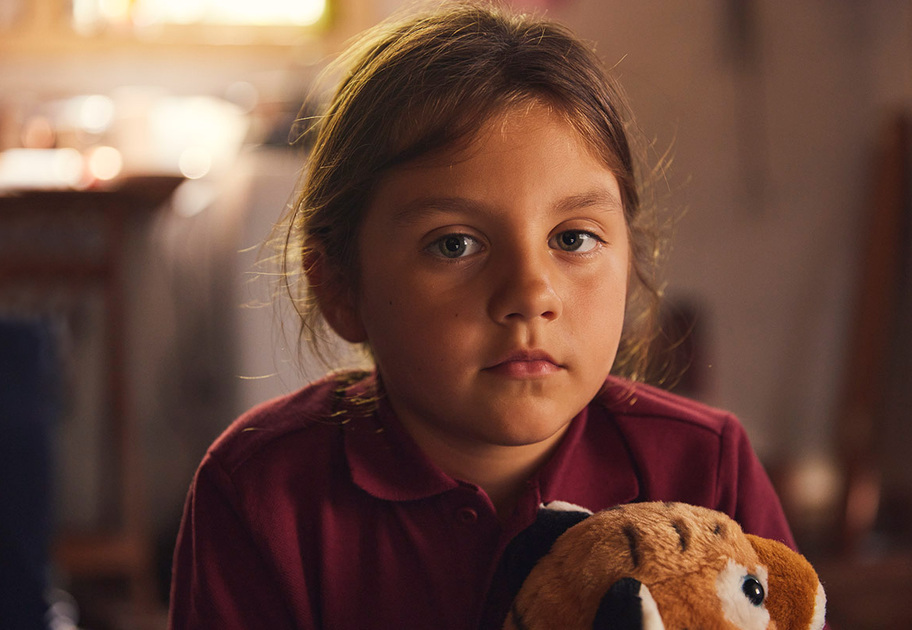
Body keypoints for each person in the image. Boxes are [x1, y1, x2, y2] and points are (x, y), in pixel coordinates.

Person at [168, 2, 796, 628]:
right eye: (454, 244)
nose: (530, 293)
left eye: (573, 238)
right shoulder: (262, 493)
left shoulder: (707, 468)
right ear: (338, 285)